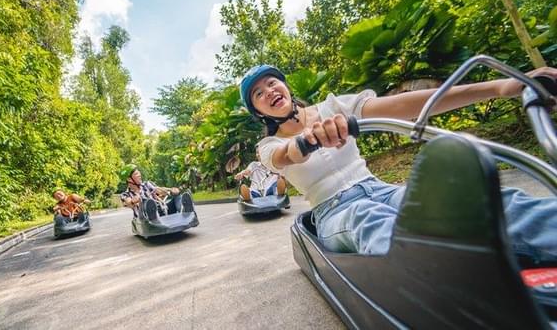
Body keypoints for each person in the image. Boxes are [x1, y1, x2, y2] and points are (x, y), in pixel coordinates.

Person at [240, 64, 557, 261]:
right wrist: (305, 141)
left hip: (382, 190)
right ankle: (449, 287)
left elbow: (408, 105)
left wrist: (502, 86)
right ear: (259, 112)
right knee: (372, 218)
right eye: (258, 93)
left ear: (285, 86)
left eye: (271, 83)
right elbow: (285, 156)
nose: (268, 91)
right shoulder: (269, 145)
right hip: (336, 211)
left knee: (474, 202)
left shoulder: (335, 106)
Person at [119, 164, 192, 219]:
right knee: (146, 202)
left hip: (161, 210)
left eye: (139, 173)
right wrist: (133, 201)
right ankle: (153, 215)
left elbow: (158, 190)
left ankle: (185, 211)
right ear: (129, 179)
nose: (139, 175)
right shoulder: (125, 194)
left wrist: (171, 190)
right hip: (145, 217)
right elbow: (128, 202)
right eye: (136, 174)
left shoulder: (147, 184)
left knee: (177, 195)